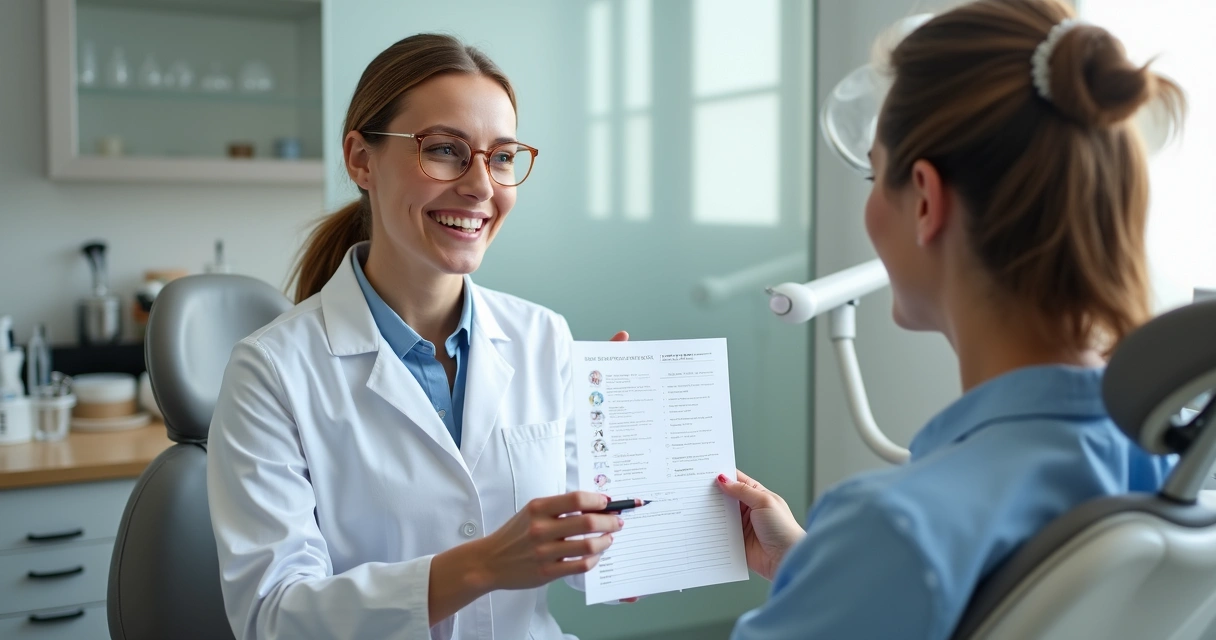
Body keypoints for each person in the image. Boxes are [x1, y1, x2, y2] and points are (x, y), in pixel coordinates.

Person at [714, 1, 1186, 638]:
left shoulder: (895, 528)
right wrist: (816, 567)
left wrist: (849, 561)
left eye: (876, 176)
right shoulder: (1167, 465)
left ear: (927, 201)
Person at [207, 34, 628, 640]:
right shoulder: (270, 372)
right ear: (360, 159)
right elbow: (274, 617)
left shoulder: (543, 337)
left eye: (502, 157)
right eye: (445, 151)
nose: (482, 186)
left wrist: (628, 465)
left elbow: (595, 573)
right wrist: (480, 565)